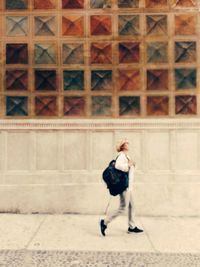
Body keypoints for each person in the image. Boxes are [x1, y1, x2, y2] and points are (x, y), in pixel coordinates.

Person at [100, 139, 143, 236]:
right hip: (124, 186)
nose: (129, 143)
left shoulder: (126, 156)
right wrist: (129, 164)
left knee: (132, 206)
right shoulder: (121, 155)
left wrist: (132, 165)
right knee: (123, 207)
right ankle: (104, 222)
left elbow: (128, 169)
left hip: (128, 186)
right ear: (123, 145)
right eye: (127, 142)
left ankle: (132, 227)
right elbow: (118, 166)